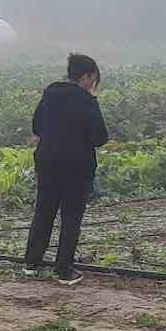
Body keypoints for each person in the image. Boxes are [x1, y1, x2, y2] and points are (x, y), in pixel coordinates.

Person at [23, 53, 109, 286]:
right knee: (70, 218)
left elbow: (37, 126)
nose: (93, 83)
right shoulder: (87, 101)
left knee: (44, 212)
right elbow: (100, 137)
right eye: (93, 78)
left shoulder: (50, 94)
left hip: (48, 161)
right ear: (86, 76)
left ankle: (31, 263)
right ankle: (63, 270)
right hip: (77, 167)